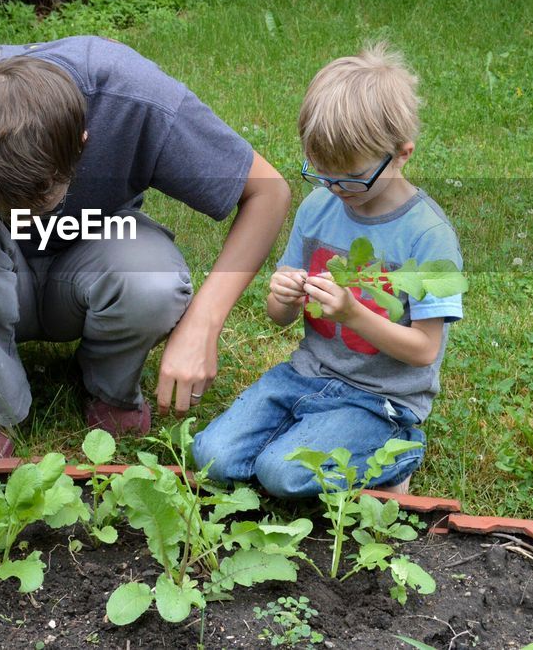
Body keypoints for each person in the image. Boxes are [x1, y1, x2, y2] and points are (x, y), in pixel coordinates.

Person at [0, 35, 290, 460]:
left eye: (40, 198)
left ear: (82, 143)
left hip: (96, 244)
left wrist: (202, 324)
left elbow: (268, 192)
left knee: (154, 279)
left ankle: (108, 386)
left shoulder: (135, 99)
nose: (30, 216)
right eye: (2, 197)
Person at [192, 42, 463, 498]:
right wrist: (281, 296)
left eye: (351, 176)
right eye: (321, 173)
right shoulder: (319, 207)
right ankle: (312, 435)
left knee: (282, 475)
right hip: (306, 376)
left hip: (381, 399)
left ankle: (397, 451)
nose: (337, 189)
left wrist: (354, 315)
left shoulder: (427, 236)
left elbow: (422, 351)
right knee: (213, 457)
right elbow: (278, 317)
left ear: (401, 153)